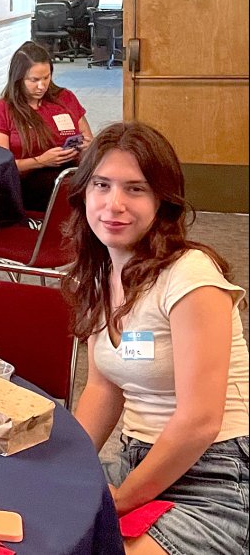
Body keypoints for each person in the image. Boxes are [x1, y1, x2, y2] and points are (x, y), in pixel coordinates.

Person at [64, 122, 248, 555]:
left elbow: (200, 420)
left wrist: (122, 499)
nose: (114, 205)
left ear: (162, 200)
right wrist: (63, 461)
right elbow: (103, 387)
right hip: (139, 460)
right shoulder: (101, 274)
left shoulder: (191, 275)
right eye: (102, 185)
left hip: (217, 474)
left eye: (135, 189)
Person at [0, 40, 94, 212]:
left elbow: (89, 140)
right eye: (34, 80)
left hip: (71, 171)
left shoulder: (65, 98)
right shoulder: (2, 110)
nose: (41, 86)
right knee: (71, 190)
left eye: (46, 78)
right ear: (19, 79)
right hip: (27, 181)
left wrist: (87, 146)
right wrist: (40, 161)